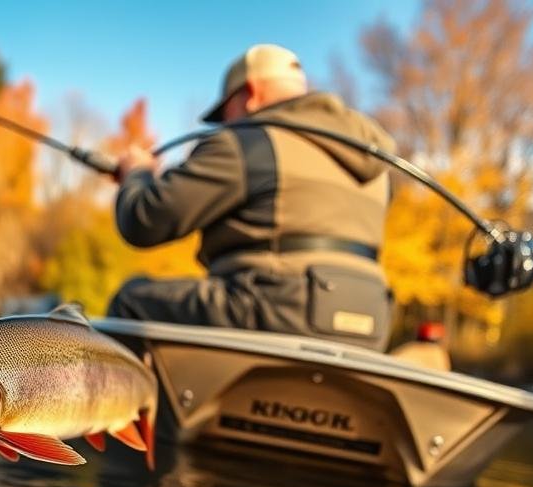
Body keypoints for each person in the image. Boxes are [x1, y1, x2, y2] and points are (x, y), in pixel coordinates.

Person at [108, 44, 396, 351]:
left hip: (273, 309)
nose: (225, 125)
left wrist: (137, 174)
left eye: (225, 112)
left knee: (131, 302)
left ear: (251, 93)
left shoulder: (248, 143)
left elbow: (145, 220)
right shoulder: (375, 166)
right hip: (373, 324)